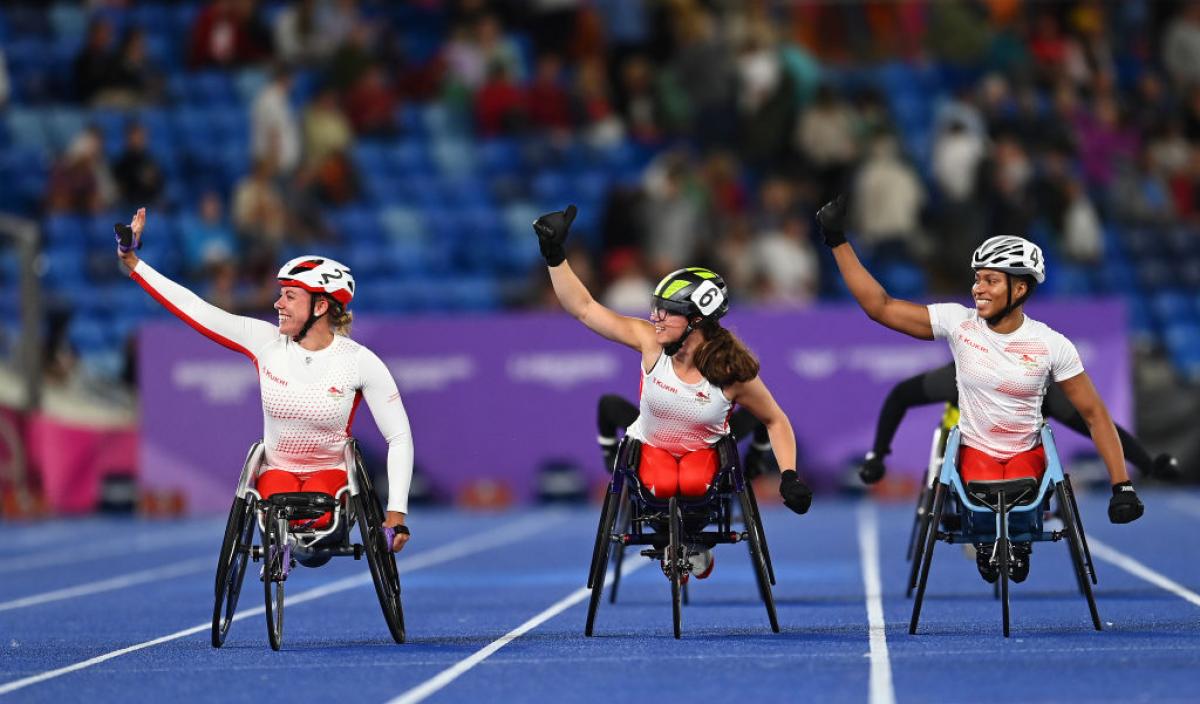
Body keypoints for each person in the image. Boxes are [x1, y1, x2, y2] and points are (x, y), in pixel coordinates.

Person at [814, 195, 1143, 584]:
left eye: (990, 280)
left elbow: (1094, 415)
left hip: (1027, 454)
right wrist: (837, 240)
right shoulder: (959, 323)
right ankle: (990, 538)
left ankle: (1017, 540)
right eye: (976, 279)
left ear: (1019, 289)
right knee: (984, 495)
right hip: (974, 454)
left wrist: (1121, 484)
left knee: (1021, 499)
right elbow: (880, 307)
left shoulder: (1052, 345)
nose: (977, 289)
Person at [534, 204, 812, 580]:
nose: (654, 318)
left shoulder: (732, 371)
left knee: (694, 482)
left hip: (704, 461)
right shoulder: (649, 341)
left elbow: (775, 419)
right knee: (665, 483)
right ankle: (671, 540)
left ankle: (694, 542)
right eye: (655, 309)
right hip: (651, 451)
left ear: (696, 320)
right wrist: (555, 255)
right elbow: (584, 308)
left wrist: (790, 476)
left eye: (666, 312)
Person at [116, 208, 413, 553]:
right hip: (278, 470)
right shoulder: (264, 342)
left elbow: (399, 436)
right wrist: (133, 261)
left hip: (331, 477)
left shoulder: (360, 361)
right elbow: (195, 308)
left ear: (320, 306)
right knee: (274, 510)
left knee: (318, 512)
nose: (277, 303)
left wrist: (395, 513)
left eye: (289, 296)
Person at [857, 362, 1180, 484]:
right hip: (962, 457)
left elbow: (1097, 424)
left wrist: (1147, 464)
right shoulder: (959, 377)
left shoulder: (1044, 390)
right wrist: (878, 454)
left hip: (1022, 461)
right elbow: (900, 396)